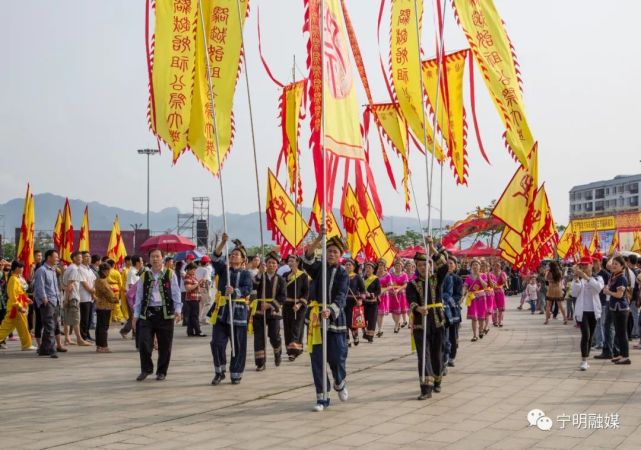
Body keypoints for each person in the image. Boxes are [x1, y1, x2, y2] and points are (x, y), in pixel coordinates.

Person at [302, 229, 349, 412]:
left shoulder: (343, 273)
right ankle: (322, 398)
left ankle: (340, 382)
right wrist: (319, 239)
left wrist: (330, 310)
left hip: (335, 320)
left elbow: (342, 295)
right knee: (318, 359)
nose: (331, 254)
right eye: (329, 251)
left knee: (337, 357)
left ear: (340, 255)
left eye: (335, 252)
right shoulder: (318, 268)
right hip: (315, 319)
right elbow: (307, 258)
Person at [406, 241, 449, 400]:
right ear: (417, 267)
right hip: (420, 322)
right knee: (423, 355)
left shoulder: (437, 278)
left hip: (437, 320)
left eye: (426, 265)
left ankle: (437, 380)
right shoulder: (412, 284)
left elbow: (444, 267)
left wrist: (432, 248)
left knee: (437, 353)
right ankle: (426, 388)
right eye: (420, 266)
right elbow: (410, 300)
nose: (424, 268)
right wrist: (418, 308)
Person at [133, 249, 182, 381]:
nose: (155, 259)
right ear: (149, 259)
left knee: (165, 345)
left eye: (157, 256)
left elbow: (176, 293)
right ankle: (146, 369)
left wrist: (178, 310)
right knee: (143, 343)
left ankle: (162, 371)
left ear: (162, 258)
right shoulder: (144, 275)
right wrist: (136, 314)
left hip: (165, 313)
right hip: (147, 313)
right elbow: (139, 296)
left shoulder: (170, 274)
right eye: (153, 257)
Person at [209, 236, 253, 385]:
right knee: (216, 342)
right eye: (232, 254)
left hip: (238, 313)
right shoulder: (223, 270)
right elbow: (215, 257)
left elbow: (248, 289)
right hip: (222, 312)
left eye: (236, 255)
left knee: (239, 346)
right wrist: (222, 242)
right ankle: (219, 371)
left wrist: (234, 291)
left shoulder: (246, 274)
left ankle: (236, 373)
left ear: (242, 259)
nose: (233, 256)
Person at [252, 251, 286, 370]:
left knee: (274, 335)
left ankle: (278, 352)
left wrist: (270, 304)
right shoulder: (260, 276)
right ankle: (260, 363)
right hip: (259, 311)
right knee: (259, 337)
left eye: (274, 263)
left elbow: (283, 297)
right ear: (265, 264)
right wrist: (260, 273)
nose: (271, 265)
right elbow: (253, 287)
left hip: (274, 312)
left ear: (277, 265)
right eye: (269, 263)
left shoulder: (281, 280)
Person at [571, 255, 604, 371]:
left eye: (586, 265)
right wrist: (576, 279)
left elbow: (598, 289)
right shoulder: (579, 280)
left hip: (594, 312)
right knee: (586, 335)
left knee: (590, 337)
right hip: (582, 312)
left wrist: (586, 277)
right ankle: (583, 360)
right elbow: (574, 293)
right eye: (582, 265)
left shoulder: (598, 278)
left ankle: (586, 356)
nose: (584, 267)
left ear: (591, 265)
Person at [33, 250, 67, 358]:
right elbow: (39, 286)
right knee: (49, 326)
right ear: (48, 257)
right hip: (47, 302)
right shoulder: (41, 270)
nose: (57, 259)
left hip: (55, 300)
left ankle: (43, 349)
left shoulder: (53, 270)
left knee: (53, 325)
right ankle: (52, 350)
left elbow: (55, 286)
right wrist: (44, 298)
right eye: (55, 257)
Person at [0, 261, 36, 350]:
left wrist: (26, 299)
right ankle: (26, 345)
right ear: (16, 268)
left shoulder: (19, 278)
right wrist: (18, 306)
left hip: (19, 305)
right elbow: (12, 295)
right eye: (21, 267)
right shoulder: (13, 279)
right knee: (22, 326)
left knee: (7, 327)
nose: (23, 269)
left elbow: (21, 292)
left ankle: (26, 344)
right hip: (15, 307)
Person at [604, 256, 631, 365]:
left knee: (622, 333)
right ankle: (621, 354)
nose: (613, 265)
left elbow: (619, 295)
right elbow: (607, 265)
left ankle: (626, 356)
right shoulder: (614, 275)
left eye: (616, 264)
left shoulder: (621, 278)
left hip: (621, 308)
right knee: (619, 333)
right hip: (615, 307)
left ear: (622, 266)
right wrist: (613, 256)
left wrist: (608, 292)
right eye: (613, 263)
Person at [282, 255, 309, 361]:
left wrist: (299, 304)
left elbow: (306, 292)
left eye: (292, 261)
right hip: (287, 305)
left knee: (296, 328)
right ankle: (290, 349)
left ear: (297, 262)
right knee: (288, 328)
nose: (290, 262)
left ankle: (294, 351)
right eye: (289, 261)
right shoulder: (285, 275)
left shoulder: (303, 276)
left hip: (298, 306)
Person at [62, 252, 90, 346]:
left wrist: (65, 298)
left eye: (81, 258)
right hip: (72, 297)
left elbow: (64, 284)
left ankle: (67, 338)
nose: (81, 259)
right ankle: (79, 339)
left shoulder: (70, 268)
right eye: (79, 258)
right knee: (76, 319)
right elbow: (70, 285)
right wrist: (67, 299)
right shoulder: (74, 269)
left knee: (67, 319)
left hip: (68, 296)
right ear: (74, 258)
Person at [93, 263, 120, 353]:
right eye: (108, 270)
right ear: (104, 271)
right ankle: (103, 346)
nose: (109, 272)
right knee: (103, 327)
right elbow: (109, 293)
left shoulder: (99, 280)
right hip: (104, 306)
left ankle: (99, 345)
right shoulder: (102, 281)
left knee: (100, 327)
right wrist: (115, 299)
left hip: (101, 306)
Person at [443, 257, 463, 367]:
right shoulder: (440, 277)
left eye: (451, 263)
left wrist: (448, 301)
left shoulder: (457, 279)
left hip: (453, 310)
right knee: (444, 335)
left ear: (455, 266)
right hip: (442, 310)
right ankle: (444, 356)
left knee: (453, 335)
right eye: (447, 263)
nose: (449, 265)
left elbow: (458, 295)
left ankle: (451, 356)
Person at [121, 255, 144, 339]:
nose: (142, 263)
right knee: (135, 315)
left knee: (134, 316)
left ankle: (129, 332)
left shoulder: (137, 271)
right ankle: (133, 333)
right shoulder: (132, 272)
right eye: (141, 261)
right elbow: (131, 286)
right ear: (137, 263)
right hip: (133, 298)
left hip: (136, 298)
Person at [464, 259, 487, 342]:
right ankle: (474, 335)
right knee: (474, 318)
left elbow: (485, 286)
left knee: (481, 317)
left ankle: (481, 330)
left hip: (481, 298)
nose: (475, 266)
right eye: (473, 265)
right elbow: (465, 287)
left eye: (476, 265)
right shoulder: (468, 277)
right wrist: (462, 295)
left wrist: (479, 277)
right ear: (471, 267)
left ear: (480, 266)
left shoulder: (483, 275)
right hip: (472, 298)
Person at [344, 259, 365, 346]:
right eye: (346, 265)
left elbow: (363, 290)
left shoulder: (357, 277)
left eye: (350, 265)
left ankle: (355, 335)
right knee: (344, 321)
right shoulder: (342, 276)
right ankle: (347, 339)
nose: (348, 266)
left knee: (352, 321)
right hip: (343, 302)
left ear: (353, 267)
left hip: (354, 302)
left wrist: (360, 300)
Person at [182, 263, 206, 337]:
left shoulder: (193, 277)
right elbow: (188, 288)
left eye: (195, 269)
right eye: (193, 269)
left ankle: (190, 331)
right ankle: (198, 331)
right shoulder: (187, 277)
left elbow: (197, 287)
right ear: (188, 269)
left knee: (192, 316)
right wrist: (198, 283)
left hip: (195, 298)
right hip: (191, 299)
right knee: (194, 315)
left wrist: (201, 283)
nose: (194, 271)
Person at [78, 251, 96, 342]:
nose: (88, 258)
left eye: (89, 256)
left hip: (90, 297)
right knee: (84, 318)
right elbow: (83, 283)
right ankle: (83, 336)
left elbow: (93, 281)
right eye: (85, 256)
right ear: (82, 258)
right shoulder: (80, 269)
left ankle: (87, 334)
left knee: (89, 318)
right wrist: (90, 290)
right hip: (83, 297)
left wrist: (93, 293)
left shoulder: (90, 269)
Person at [362, 261, 381, 343]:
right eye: (366, 267)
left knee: (372, 320)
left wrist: (371, 294)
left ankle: (370, 336)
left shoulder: (376, 279)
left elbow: (378, 291)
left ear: (373, 270)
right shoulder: (362, 278)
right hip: (364, 302)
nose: (368, 269)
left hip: (373, 303)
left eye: (370, 268)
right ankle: (365, 333)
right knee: (363, 319)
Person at [390, 259, 409, 333]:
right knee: (393, 311)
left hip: (401, 294)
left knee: (398, 311)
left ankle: (396, 325)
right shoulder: (391, 274)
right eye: (396, 266)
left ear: (402, 267)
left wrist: (399, 289)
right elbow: (389, 283)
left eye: (399, 266)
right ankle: (397, 323)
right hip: (392, 294)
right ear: (394, 267)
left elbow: (405, 284)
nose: (398, 267)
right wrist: (392, 286)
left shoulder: (404, 274)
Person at [376, 261, 392, 337]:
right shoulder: (375, 274)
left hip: (384, 295)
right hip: (375, 295)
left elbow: (390, 286)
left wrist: (383, 290)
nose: (380, 267)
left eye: (382, 265)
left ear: (385, 267)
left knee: (380, 314)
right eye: (379, 265)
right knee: (376, 313)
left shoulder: (387, 275)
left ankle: (380, 329)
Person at [492, 261, 507, 327]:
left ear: (500, 267)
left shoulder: (503, 273)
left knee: (501, 308)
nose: (496, 267)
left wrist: (502, 276)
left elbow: (504, 282)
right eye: (495, 265)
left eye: (498, 266)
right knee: (494, 308)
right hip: (492, 292)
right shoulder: (490, 274)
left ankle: (500, 321)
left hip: (500, 292)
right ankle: (495, 321)